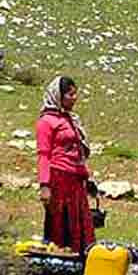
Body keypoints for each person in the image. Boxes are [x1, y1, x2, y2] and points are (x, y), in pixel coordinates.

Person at [36, 75, 94, 253]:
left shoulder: (69, 119)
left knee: (80, 222)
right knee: (61, 223)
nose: (74, 98)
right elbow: (44, 154)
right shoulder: (46, 122)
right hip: (59, 178)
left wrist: (86, 176)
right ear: (58, 96)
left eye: (75, 94)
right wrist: (45, 185)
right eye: (70, 94)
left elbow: (78, 151)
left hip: (75, 180)